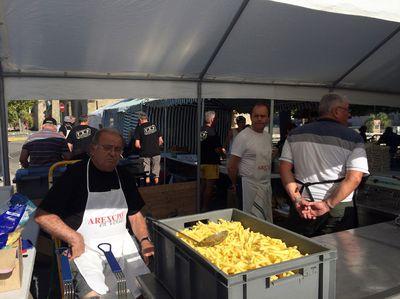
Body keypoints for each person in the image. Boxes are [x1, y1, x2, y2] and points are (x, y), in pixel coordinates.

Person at [35, 128, 153, 298]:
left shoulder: (124, 176)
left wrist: (144, 240)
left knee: (142, 288)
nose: (113, 153)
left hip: (122, 243)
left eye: (117, 149)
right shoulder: (75, 175)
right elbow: (42, 215)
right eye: (107, 148)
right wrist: (73, 238)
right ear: (92, 149)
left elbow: (135, 215)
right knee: (92, 293)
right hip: (85, 249)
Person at [279, 93, 369, 237]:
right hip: (337, 207)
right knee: (337, 254)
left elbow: (284, 169)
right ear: (336, 111)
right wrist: (327, 204)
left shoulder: (295, 134)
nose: (349, 115)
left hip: (303, 206)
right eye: (347, 110)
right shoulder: (353, 138)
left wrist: (297, 200)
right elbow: (355, 178)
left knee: (300, 250)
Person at [228, 103, 273, 221]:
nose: (259, 119)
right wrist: (235, 184)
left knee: (264, 221)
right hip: (248, 186)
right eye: (256, 116)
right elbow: (232, 166)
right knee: (249, 221)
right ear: (251, 117)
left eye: (263, 116)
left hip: (265, 185)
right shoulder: (243, 137)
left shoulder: (267, 137)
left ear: (268, 118)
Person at [200, 111, 225, 211]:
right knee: (209, 186)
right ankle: (205, 207)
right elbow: (217, 149)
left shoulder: (201, 130)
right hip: (211, 162)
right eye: (216, 119)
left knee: (203, 185)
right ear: (211, 119)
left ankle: (199, 205)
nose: (217, 121)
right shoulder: (212, 132)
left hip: (202, 161)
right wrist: (223, 154)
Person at [133, 112, 163, 184]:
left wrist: (143, 147)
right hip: (156, 152)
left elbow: (137, 144)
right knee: (156, 174)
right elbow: (161, 141)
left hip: (145, 153)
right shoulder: (154, 125)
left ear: (140, 119)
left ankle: (147, 188)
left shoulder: (139, 128)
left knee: (146, 174)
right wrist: (154, 145)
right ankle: (156, 187)